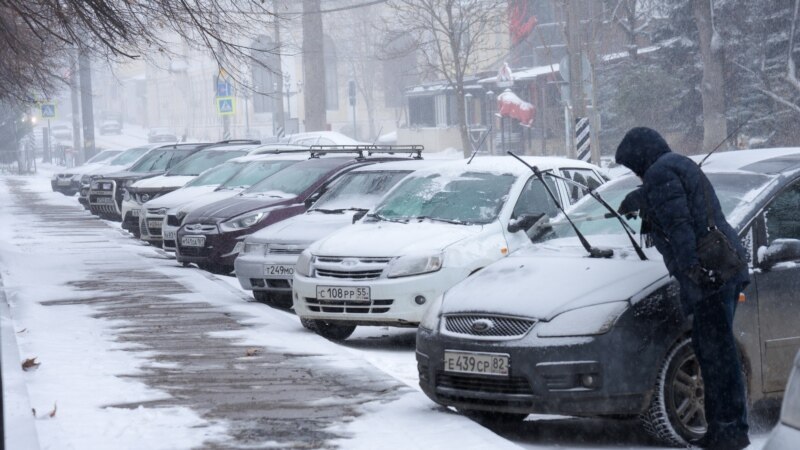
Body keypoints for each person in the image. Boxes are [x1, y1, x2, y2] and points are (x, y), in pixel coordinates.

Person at [614, 127, 750, 450]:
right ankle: (725, 428)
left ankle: (728, 431)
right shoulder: (673, 166)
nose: (634, 172)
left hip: (710, 275)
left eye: (632, 165)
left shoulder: (661, 173)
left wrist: (693, 269)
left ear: (641, 156)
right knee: (715, 352)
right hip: (722, 269)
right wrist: (646, 199)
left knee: (717, 355)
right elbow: (685, 210)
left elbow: (680, 227)